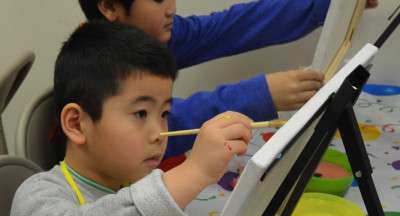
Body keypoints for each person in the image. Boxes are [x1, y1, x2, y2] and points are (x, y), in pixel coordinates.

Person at [4, 21, 253, 216]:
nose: (159, 133)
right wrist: (194, 171)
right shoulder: (37, 195)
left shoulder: (133, 176)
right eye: (141, 113)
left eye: (164, 113)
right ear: (77, 123)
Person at [78, 0, 378, 159]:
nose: (172, 7)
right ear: (109, 7)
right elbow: (156, 130)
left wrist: (325, 4)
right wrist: (260, 95)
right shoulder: (93, 68)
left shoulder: (154, 36)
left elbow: (233, 26)